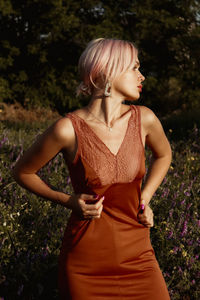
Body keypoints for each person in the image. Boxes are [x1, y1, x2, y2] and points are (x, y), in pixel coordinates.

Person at [13, 38, 172, 300]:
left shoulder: (145, 118)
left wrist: (145, 197)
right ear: (109, 70)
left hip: (140, 259)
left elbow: (164, 154)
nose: (141, 75)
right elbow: (22, 172)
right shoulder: (67, 129)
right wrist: (68, 200)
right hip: (86, 265)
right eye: (134, 67)